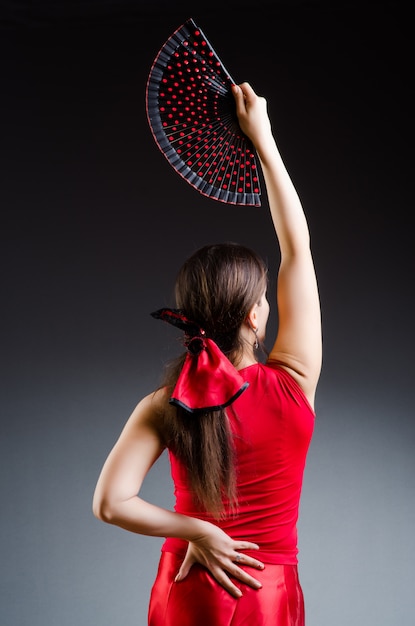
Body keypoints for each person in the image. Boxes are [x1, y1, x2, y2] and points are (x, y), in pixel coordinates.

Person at [93, 82, 322, 626]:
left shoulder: (164, 403)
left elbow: (109, 503)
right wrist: (263, 139)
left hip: (189, 583)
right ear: (253, 316)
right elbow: (298, 248)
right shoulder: (294, 382)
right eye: (264, 297)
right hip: (268, 591)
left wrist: (198, 530)